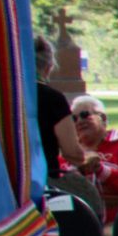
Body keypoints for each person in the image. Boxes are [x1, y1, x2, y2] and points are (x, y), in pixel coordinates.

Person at [70, 94, 118, 221]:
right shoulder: (68, 150)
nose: (79, 121)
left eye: (84, 115)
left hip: (117, 222)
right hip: (77, 221)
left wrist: (101, 171)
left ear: (103, 118)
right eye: (74, 118)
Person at [35, 34, 84, 177]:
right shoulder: (52, 98)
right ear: (49, 67)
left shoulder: (0, 97)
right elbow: (72, 153)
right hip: (43, 179)